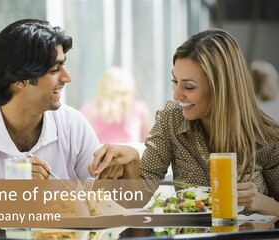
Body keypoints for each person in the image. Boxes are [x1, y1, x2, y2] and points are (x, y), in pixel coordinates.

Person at [89, 29, 279, 217]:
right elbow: (137, 198)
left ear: (221, 88)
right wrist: (131, 158)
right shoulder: (171, 119)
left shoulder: (267, 137)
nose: (177, 95)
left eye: (189, 86)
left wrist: (261, 202)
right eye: (175, 81)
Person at [0, 19, 100, 179]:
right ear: (19, 79)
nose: (67, 78)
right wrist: (10, 194)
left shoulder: (72, 125)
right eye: (54, 69)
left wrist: (130, 168)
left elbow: (100, 194)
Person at [80, 66, 151, 144]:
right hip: (129, 154)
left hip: (100, 154)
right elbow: (149, 141)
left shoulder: (88, 109)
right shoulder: (139, 108)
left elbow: (82, 140)